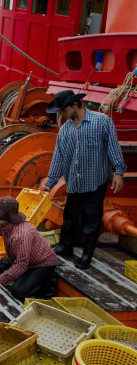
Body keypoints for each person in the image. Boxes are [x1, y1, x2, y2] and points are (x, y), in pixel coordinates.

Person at [39, 90, 126, 270]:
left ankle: (87, 254)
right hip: (74, 182)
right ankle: (65, 246)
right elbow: (59, 157)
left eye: (63, 110)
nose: (61, 115)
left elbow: (113, 148)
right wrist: (50, 181)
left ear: (75, 105)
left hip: (95, 181)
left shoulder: (102, 122)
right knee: (69, 216)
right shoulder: (64, 130)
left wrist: (119, 172)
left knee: (92, 219)